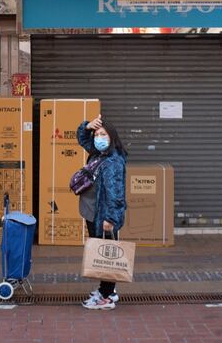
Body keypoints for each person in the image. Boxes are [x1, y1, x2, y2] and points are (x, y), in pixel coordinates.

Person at [76, 114, 127, 310]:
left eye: (103, 134)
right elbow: (83, 138)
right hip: (93, 213)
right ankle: (108, 291)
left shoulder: (113, 161)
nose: (98, 138)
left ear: (112, 137)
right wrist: (87, 126)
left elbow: (116, 194)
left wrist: (110, 218)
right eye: (97, 134)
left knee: (107, 257)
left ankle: (105, 297)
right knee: (102, 252)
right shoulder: (99, 154)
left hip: (103, 217)